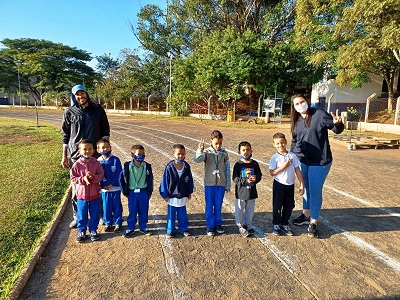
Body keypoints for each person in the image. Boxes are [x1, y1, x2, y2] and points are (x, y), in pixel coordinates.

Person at [289, 94, 344, 237]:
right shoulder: (296, 120)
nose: (301, 105)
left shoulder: (319, 114)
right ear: (294, 107)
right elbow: (295, 141)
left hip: (320, 161)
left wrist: (338, 123)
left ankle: (313, 222)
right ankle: (306, 214)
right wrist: (291, 155)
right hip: (303, 160)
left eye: (302, 102)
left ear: (307, 102)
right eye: (297, 104)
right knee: (306, 188)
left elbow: (336, 129)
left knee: (314, 190)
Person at [61, 84, 110, 229]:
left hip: (96, 156)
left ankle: (100, 215)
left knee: (98, 186)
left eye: (83, 93)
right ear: (74, 97)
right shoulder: (70, 112)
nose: (80, 97)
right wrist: (64, 156)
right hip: (76, 157)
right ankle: (78, 217)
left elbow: (105, 130)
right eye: (77, 95)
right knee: (77, 189)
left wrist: (105, 151)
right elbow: (65, 135)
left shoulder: (97, 110)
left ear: (87, 94)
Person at [193, 130, 230, 236]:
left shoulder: (224, 153)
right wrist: (200, 150)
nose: (218, 146)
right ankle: (210, 226)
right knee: (210, 205)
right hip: (209, 184)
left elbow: (227, 168)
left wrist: (227, 184)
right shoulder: (207, 153)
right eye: (216, 143)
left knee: (218, 205)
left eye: (220, 143)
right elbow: (197, 159)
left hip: (221, 184)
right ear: (211, 141)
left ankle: (218, 223)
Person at [269, 133, 304, 236]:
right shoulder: (274, 158)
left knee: (289, 205)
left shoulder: (292, 156)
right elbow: (272, 173)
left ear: (286, 142)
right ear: (274, 144)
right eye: (278, 143)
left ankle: (284, 223)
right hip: (279, 185)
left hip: (290, 185)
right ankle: (276, 224)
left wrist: (302, 184)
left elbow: (297, 169)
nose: (281, 145)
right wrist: (284, 166)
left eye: (282, 143)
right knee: (277, 205)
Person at [70, 139, 104, 242]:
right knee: (82, 214)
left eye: (90, 149)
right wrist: (83, 179)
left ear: (93, 150)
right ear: (79, 151)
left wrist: (93, 178)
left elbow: (101, 175)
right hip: (81, 195)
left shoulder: (96, 163)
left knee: (94, 213)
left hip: (94, 194)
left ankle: (93, 230)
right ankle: (81, 231)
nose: (87, 151)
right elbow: (73, 177)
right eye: (84, 149)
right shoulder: (77, 164)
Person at [159, 144, 194, 238]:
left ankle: (184, 228)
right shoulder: (169, 167)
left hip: (182, 194)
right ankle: (170, 230)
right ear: (173, 154)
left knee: (182, 214)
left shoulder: (186, 166)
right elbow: (165, 181)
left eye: (183, 154)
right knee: (171, 215)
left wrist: (189, 191)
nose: (181, 156)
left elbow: (190, 180)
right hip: (172, 196)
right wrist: (164, 194)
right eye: (178, 154)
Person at [119, 144, 154, 238]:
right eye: (139, 153)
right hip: (132, 192)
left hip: (143, 192)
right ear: (132, 155)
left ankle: (143, 226)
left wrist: (149, 192)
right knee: (132, 210)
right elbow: (121, 179)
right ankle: (130, 227)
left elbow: (151, 179)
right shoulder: (127, 166)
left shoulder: (147, 166)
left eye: (143, 153)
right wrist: (124, 191)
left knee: (143, 210)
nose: (141, 155)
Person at [232, 141, 262, 237]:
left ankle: (248, 224)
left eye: (248, 150)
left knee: (250, 210)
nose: (246, 152)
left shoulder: (255, 164)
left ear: (251, 150)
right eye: (243, 150)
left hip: (251, 193)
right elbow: (235, 178)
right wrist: (245, 181)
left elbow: (259, 175)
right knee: (239, 209)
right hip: (241, 193)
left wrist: (255, 179)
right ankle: (240, 225)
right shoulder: (238, 165)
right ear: (239, 152)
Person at [97, 138, 123, 233]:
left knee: (117, 206)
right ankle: (108, 223)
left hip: (115, 188)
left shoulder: (116, 160)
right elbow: (98, 175)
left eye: (107, 147)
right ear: (98, 150)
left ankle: (118, 223)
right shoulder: (97, 161)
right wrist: (103, 185)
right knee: (106, 207)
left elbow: (119, 173)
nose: (105, 149)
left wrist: (111, 184)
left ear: (110, 147)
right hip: (104, 190)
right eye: (103, 147)